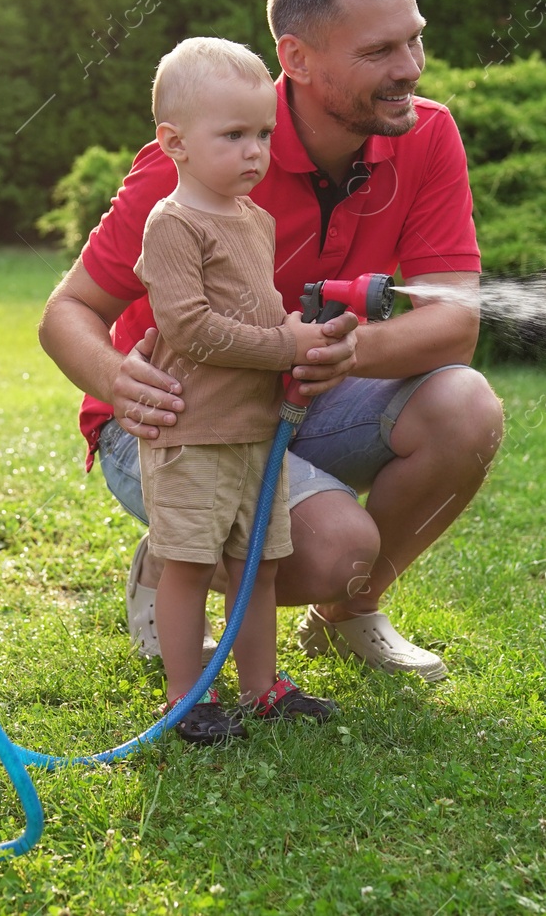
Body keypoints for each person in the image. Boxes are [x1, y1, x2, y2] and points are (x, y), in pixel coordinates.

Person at [39, 0, 505, 681]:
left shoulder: (428, 134)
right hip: (177, 418)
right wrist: (116, 379)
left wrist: (343, 353)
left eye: (415, 38)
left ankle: (348, 614)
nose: (410, 68)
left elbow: (456, 325)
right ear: (297, 57)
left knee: (466, 409)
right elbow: (67, 311)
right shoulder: (193, 158)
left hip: (293, 396)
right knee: (335, 546)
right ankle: (177, 556)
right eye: (380, 50)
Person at [136, 38, 341, 743]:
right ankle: (185, 696)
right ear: (176, 143)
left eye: (262, 134)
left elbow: (254, 312)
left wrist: (296, 333)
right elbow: (190, 328)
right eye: (233, 135)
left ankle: (261, 687)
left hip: (257, 433)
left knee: (259, 568)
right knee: (191, 566)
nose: (255, 151)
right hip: (192, 433)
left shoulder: (255, 220)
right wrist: (285, 343)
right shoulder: (172, 223)